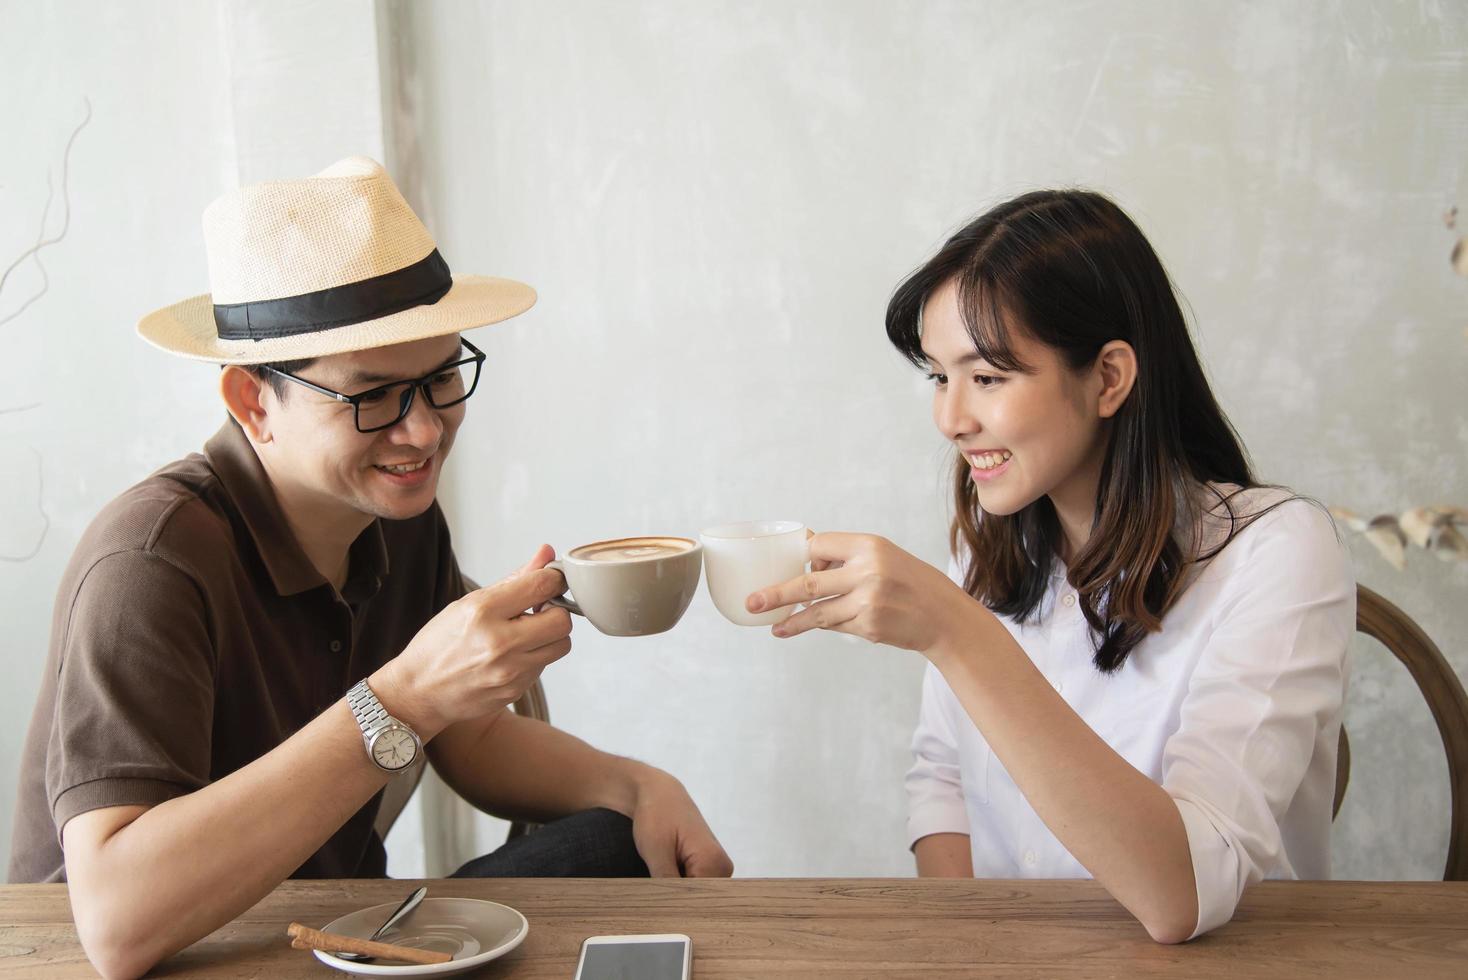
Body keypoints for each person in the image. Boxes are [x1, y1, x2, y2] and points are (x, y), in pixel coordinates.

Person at [8, 156, 731, 979]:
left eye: (441, 378)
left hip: (329, 934)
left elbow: (470, 740)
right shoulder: (151, 562)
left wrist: (637, 785)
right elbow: (115, 923)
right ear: (252, 403)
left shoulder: (396, 517)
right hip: (158, 955)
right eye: (373, 397)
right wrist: (403, 697)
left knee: (614, 842)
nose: (422, 434)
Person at [746, 189, 1353, 943]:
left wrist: (954, 631)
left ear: (1108, 378)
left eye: (988, 378)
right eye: (939, 376)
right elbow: (942, 781)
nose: (951, 419)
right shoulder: (989, 544)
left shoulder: (1277, 553)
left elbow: (1184, 895)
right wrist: (972, 947)